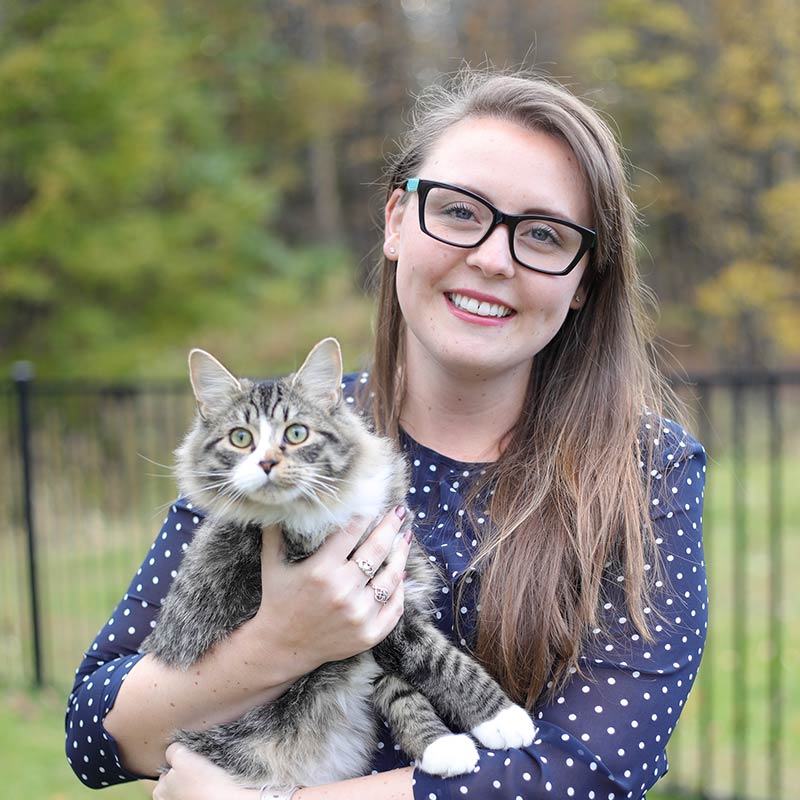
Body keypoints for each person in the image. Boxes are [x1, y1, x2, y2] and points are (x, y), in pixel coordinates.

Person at [66, 67, 707, 800]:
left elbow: (591, 770)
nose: (493, 258)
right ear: (397, 221)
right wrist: (283, 640)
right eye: (462, 212)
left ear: (583, 279)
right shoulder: (289, 444)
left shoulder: (645, 469)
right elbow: (98, 730)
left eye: (542, 233)